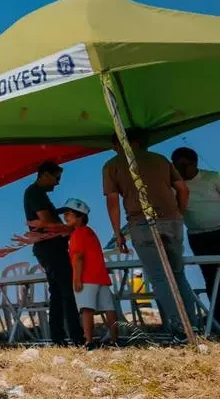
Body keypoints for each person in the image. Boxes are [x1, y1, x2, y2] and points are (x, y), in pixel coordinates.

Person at [103, 132, 198, 336]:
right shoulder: (160, 159)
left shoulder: (112, 165)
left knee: (159, 276)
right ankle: (194, 323)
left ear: (117, 145)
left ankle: (179, 326)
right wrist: (179, 213)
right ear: (138, 141)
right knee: (179, 274)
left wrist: (117, 233)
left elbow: (113, 202)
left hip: (141, 223)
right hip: (172, 220)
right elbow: (183, 189)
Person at [22, 161, 84, 345]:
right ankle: (76, 336)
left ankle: (59, 337)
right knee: (67, 290)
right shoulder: (35, 193)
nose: (57, 183)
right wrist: (70, 228)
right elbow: (47, 221)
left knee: (57, 292)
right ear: (44, 175)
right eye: (56, 178)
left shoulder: (37, 194)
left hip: (49, 247)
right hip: (50, 247)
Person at [58, 198, 119, 350]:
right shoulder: (90, 232)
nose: (65, 217)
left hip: (86, 277)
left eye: (69, 214)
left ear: (79, 216)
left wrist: (77, 279)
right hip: (101, 276)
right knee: (108, 308)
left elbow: (78, 257)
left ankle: (89, 341)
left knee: (86, 309)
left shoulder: (77, 234)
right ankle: (114, 339)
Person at [171, 147, 220, 299]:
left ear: (194, 163)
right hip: (198, 236)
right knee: (211, 277)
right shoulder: (174, 186)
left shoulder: (212, 178)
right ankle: (216, 318)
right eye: (176, 166)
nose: (180, 170)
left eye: (184, 166)